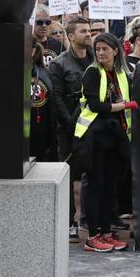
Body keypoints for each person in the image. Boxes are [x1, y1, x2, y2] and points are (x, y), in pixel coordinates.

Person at [74, 32, 133, 253]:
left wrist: (122, 107)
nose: (100, 53)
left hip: (116, 138)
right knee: (96, 187)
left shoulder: (122, 74)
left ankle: (107, 233)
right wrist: (122, 106)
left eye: (105, 49)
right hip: (95, 138)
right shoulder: (92, 73)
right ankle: (93, 236)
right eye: (97, 49)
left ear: (115, 51)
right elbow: (94, 105)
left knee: (110, 187)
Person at [48, 18, 93, 240]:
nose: (89, 34)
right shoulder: (59, 63)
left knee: (93, 173)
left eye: (90, 31)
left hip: (94, 126)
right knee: (68, 174)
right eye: (84, 31)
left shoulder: (96, 58)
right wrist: (70, 125)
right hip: (69, 127)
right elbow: (56, 97)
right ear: (71, 36)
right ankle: (68, 222)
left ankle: (93, 219)